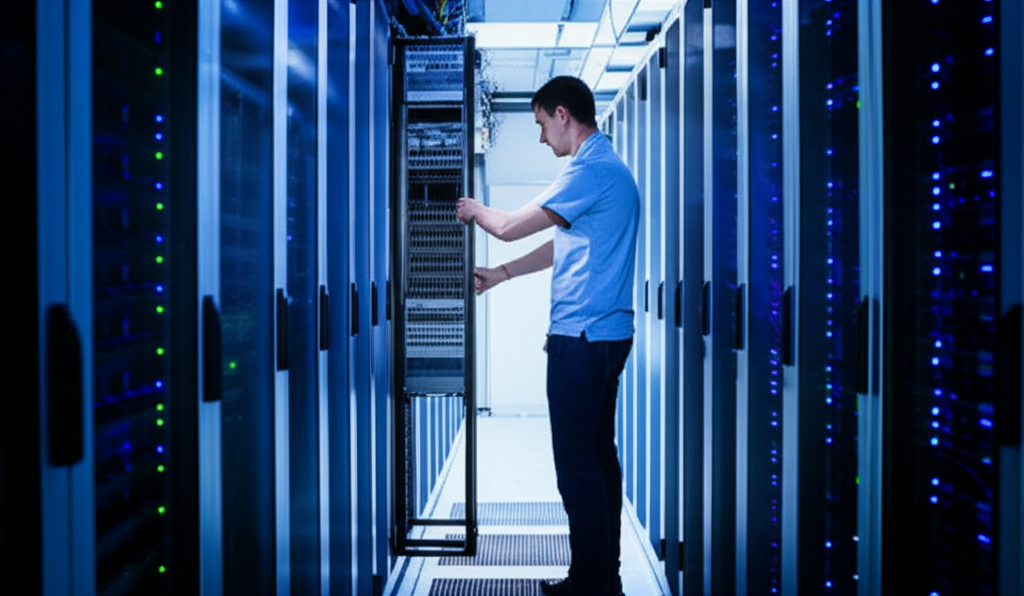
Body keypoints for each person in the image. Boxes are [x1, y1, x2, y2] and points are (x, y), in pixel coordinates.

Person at [455, 75, 640, 596]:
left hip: (580, 341)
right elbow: (567, 247)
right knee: (599, 463)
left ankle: (590, 587)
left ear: (563, 116)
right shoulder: (609, 171)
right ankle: (604, 581)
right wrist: (503, 275)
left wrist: (471, 208)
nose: (540, 138)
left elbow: (511, 225)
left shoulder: (589, 171)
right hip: (604, 337)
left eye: (540, 124)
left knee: (578, 470)